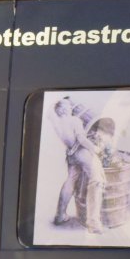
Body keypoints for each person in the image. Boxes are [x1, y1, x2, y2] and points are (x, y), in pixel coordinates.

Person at [51, 98, 104, 232]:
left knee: (70, 182)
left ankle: (60, 215)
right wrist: (95, 149)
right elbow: (81, 139)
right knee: (97, 181)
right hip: (82, 152)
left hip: (71, 155)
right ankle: (94, 224)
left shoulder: (57, 124)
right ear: (63, 109)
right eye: (69, 106)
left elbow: (70, 141)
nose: (71, 108)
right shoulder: (74, 120)